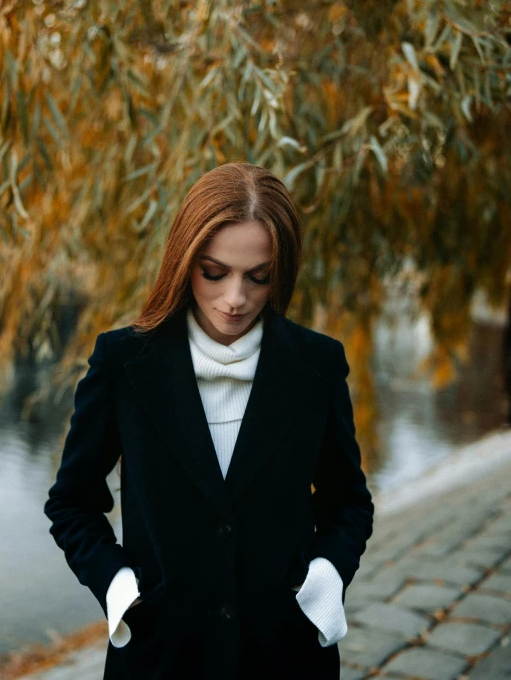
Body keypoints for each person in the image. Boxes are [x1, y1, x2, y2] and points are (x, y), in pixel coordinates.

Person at [44, 162, 374, 680]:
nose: (235, 298)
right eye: (214, 273)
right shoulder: (122, 363)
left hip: (286, 656)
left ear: (280, 272)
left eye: (258, 277)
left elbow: (348, 504)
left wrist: (328, 576)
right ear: (184, 261)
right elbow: (72, 504)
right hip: (158, 655)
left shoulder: (319, 366)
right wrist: (117, 587)